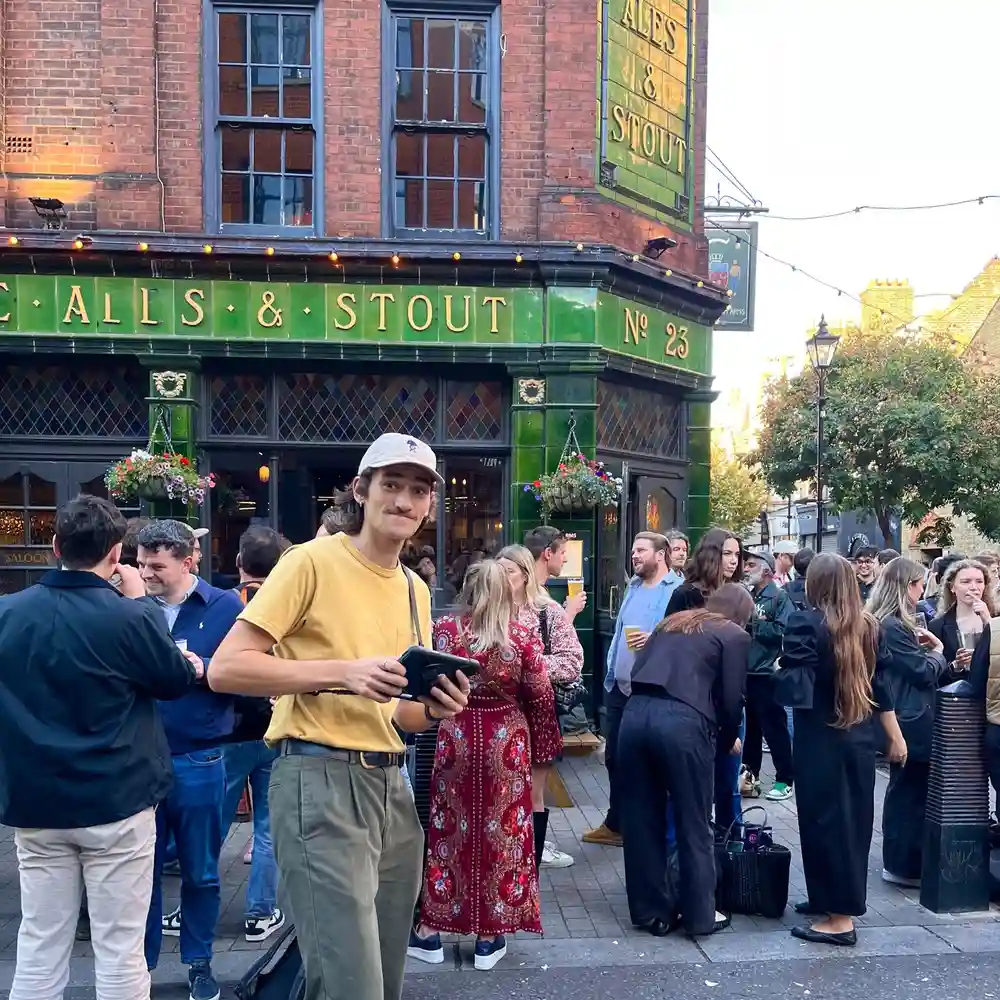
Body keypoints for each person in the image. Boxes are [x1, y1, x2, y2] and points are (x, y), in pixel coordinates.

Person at [209, 432, 470, 1000]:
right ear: (361, 490)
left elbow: (400, 715)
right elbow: (226, 670)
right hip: (318, 780)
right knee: (353, 985)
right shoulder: (311, 561)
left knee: (383, 978)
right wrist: (341, 671)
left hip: (391, 790)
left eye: (419, 490)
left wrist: (437, 709)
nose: (404, 500)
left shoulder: (414, 589)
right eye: (392, 485)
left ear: (430, 506)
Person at [0, 495, 198, 1000]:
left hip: (37, 800)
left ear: (53, 546)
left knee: (40, 942)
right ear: (116, 554)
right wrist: (140, 605)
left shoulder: (7, 613)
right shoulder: (129, 616)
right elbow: (173, 680)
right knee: (120, 947)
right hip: (118, 799)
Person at [410, 560, 562, 970]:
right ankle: (488, 938)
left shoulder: (444, 632)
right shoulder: (522, 635)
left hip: (455, 734)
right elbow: (541, 697)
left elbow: (425, 685)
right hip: (504, 742)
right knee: (503, 831)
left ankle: (429, 933)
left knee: (449, 829)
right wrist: (545, 751)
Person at [162, 526, 291, 944]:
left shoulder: (223, 606)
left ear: (238, 563)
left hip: (229, 732)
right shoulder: (287, 606)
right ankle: (260, 912)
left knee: (211, 827)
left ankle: (193, 909)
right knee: (268, 829)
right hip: (274, 729)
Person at [137, 520, 246, 1000]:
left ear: (188, 561)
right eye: (141, 564)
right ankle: (139, 966)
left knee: (201, 869)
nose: (146, 573)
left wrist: (207, 673)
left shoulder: (225, 607)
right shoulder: (133, 607)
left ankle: (199, 964)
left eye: (156, 566)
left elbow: (245, 676)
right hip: (139, 759)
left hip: (200, 757)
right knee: (141, 870)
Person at [779, 553, 906, 947]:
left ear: (816, 584)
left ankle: (840, 919)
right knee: (849, 823)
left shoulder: (805, 622)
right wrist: (896, 737)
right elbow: (881, 688)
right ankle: (828, 901)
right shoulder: (870, 627)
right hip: (858, 738)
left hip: (819, 736)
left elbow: (794, 689)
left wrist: (781, 670)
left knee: (820, 821)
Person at [618, 584, 752, 937]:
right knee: (694, 822)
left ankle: (652, 913)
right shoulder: (733, 634)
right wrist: (726, 742)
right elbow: (731, 699)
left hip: (634, 717)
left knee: (641, 820)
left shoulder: (673, 623)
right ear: (741, 615)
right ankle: (700, 915)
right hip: (683, 724)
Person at [582, 531, 682, 847]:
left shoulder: (677, 591)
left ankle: (644, 826)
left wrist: (653, 638)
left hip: (650, 690)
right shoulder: (633, 587)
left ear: (661, 554)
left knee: (644, 761)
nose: (634, 556)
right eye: (633, 550)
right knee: (615, 757)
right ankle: (617, 823)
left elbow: (683, 639)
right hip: (619, 688)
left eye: (641, 550)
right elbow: (621, 632)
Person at [867, 557, 952, 887]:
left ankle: (902, 862)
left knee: (906, 790)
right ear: (906, 587)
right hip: (911, 719)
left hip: (905, 716)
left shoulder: (885, 623)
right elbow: (920, 673)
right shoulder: (893, 626)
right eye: (919, 584)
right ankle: (902, 864)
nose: (922, 590)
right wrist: (939, 652)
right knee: (909, 793)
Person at [497, 543, 583, 867]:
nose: (502, 578)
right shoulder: (489, 610)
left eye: (508, 571)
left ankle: (529, 869)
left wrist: (528, 666)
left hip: (535, 712)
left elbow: (573, 661)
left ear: (525, 575)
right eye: (498, 571)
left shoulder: (547, 611)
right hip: (496, 714)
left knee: (532, 793)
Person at [664, 527, 745, 830]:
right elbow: (669, 647)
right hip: (694, 703)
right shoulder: (687, 594)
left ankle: (733, 860)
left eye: (738, 554)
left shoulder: (737, 595)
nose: (734, 561)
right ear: (712, 554)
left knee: (728, 785)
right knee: (690, 787)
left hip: (730, 699)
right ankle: (686, 860)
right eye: (727, 553)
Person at [741, 551, 795, 801]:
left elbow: (785, 631)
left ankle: (785, 779)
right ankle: (750, 776)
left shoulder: (779, 597)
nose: (745, 568)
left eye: (751, 565)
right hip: (747, 673)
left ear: (766, 570)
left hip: (767, 673)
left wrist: (754, 624)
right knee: (750, 729)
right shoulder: (748, 595)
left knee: (774, 728)